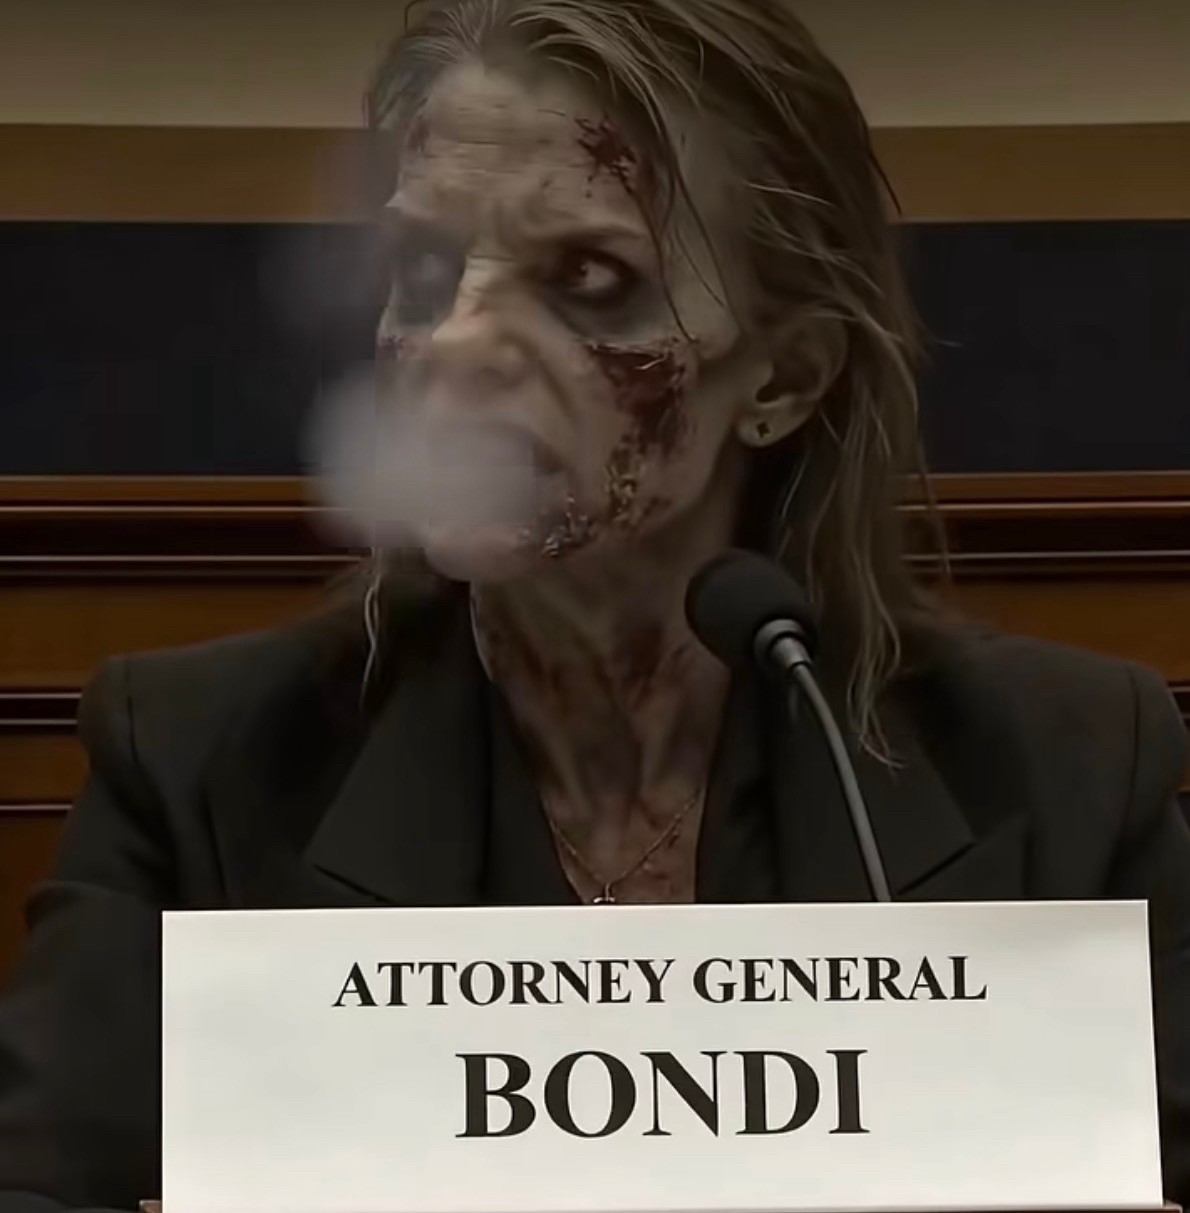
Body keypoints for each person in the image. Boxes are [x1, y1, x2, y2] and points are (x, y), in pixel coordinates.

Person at [2, 0, 1189, 1208]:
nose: (454, 344)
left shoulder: (1062, 769)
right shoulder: (201, 760)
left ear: (782, 378)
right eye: (425, 270)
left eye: (586, 277)